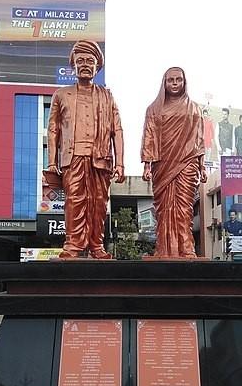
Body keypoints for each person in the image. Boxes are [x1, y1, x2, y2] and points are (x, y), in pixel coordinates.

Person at [46, 40, 125, 259]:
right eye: (80, 60)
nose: (85, 65)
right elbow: (53, 130)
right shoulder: (61, 95)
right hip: (73, 158)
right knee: (74, 201)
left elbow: (117, 129)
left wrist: (120, 163)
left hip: (100, 158)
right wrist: (52, 161)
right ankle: (72, 245)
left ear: (97, 66)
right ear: (73, 65)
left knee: (99, 202)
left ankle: (96, 245)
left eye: (90, 61)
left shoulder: (107, 96)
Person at [141, 67, 207, 258]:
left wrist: (202, 166)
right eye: (171, 80)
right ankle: (163, 248)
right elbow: (149, 136)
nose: (175, 83)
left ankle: (186, 248)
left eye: (179, 79)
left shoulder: (194, 108)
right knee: (163, 209)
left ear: (185, 82)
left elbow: (199, 139)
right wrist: (146, 164)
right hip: (162, 164)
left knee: (184, 207)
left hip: (187, 163)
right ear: (164, 83)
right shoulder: (153, 109)